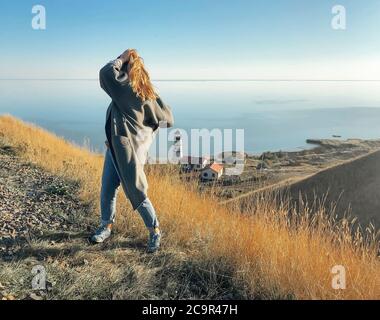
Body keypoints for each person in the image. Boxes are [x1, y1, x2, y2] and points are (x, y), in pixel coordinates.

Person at [90, 49, 174, 253]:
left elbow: (105, 73)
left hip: (129, 152)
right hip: (118, 148)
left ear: (128, 71)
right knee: (108, 188)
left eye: (125, 68)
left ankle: (154, 230)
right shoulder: (148, 94)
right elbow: (166, 120)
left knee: (136, 191)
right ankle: (106, 226)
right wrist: (139, 134)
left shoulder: (127, 89)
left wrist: (122, 56)